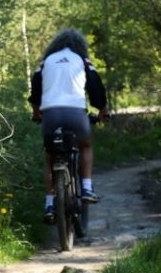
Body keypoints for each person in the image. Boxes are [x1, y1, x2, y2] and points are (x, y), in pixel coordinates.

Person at [28, 28, 109, 224]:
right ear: (80, 45)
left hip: (51, 114)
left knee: (50, 157)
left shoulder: (45, 62)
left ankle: (49, 204)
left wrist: (37, 113)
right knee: (85, 146)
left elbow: (35, 89)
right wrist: (102, 110)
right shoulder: (82, 60)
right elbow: (95, 87)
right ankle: (87, 188)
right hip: (75, 113)